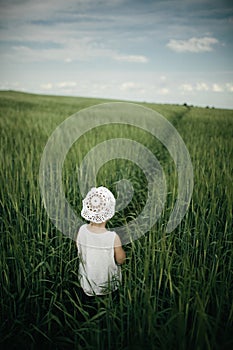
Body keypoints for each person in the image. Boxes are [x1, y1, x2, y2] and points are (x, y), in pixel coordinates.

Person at [76, 186, 126, 298]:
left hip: (87, 284)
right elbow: (121, 259)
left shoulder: (82, 230)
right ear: (108, 215)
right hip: (108, 285)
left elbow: (79, 248)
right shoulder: (112, 237)